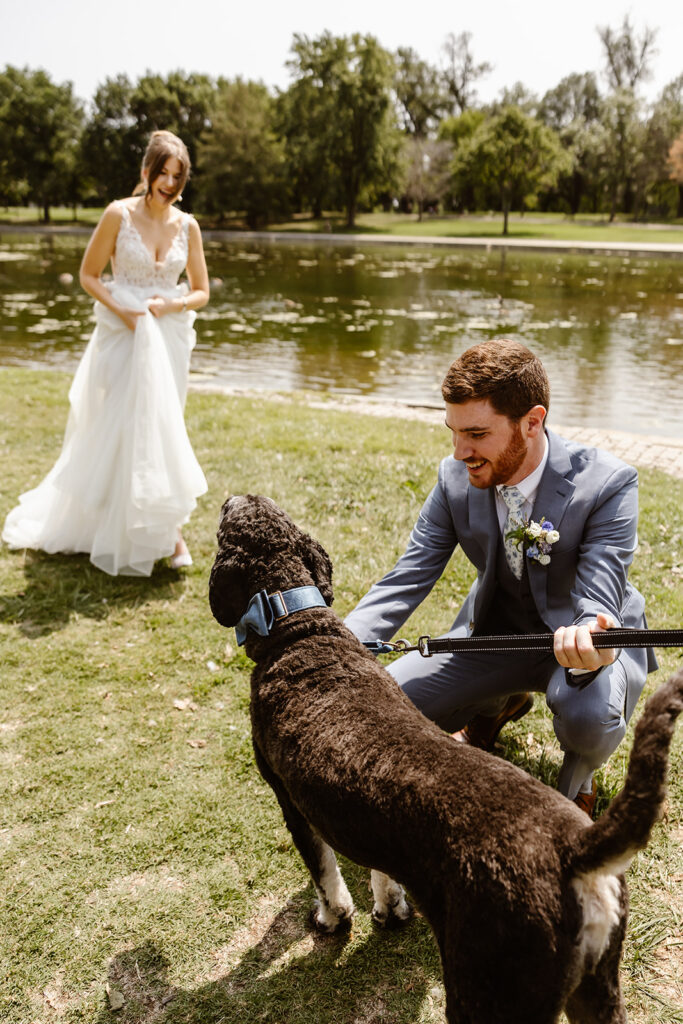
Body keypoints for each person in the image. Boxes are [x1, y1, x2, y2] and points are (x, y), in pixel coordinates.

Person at [345, 339, 656, 817]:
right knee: (383, 706)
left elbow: (600, 590)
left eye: (475, 433)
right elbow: (406, 576)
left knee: (588, 716)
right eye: (452, 432)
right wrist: (335, 649)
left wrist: (594, 636)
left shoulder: (609, 484)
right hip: (492, 636)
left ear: (532, 421)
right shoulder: (454, 479)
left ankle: (579, 782)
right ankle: (497, 706)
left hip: (578, 647)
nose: (459, 451)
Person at [3, 130, 209, 576]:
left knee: (164, 428)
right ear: (146, 172)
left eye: (178, 176)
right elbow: (89, 275)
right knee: (119, 424)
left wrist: (173, 304)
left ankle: (167, 528)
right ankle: (114, 526)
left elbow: (202, 292)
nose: (169, 184)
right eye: (163, 173)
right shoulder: (118, 214)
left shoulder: (188, 225)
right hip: (122, 332)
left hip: (170, 336)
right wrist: (126, 311)